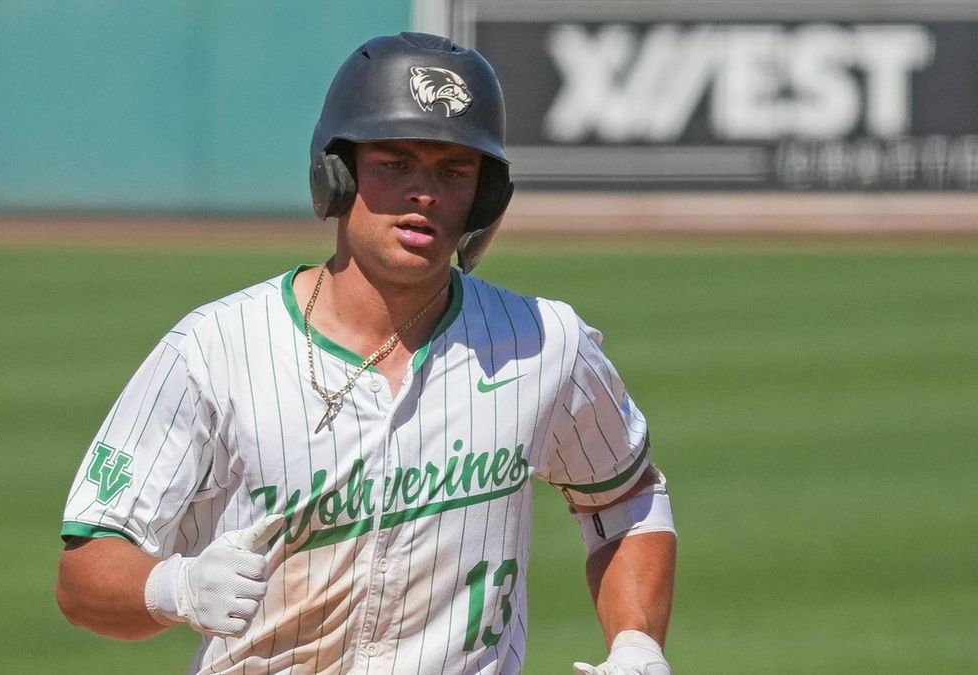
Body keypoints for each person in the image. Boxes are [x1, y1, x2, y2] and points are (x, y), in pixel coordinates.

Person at [56, 32, 676, 674]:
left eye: (453, 171)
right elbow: (83, 576)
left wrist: (637, 642)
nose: (425, 193)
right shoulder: (212, 351)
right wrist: (173, 589)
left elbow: (625, 499)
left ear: (485, 198)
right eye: (394, 163)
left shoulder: (545, 343)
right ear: (338, 174)